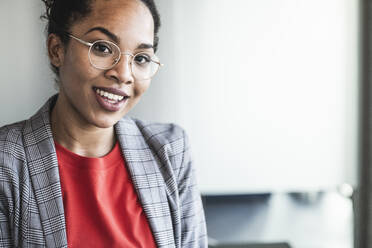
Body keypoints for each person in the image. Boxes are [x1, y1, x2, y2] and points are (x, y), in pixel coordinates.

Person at [0, 0, 207, 247]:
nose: (124, 74)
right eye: (103, 48)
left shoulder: (170, 150)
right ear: (57, 49)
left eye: (140, 58)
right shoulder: (6, 162)